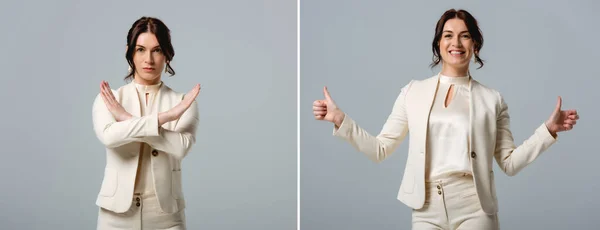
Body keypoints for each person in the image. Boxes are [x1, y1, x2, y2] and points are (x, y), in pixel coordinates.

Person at [312, 9, 579, 230]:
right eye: (448, 36)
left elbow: (508, 163)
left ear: (474, 44)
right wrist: (340, 120)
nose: (456, 43)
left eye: (465, 36)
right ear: (438, 43)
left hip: (475, 206)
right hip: (426, 206)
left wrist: (548, 131)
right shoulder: (412, 92)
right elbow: (381, 148)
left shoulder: (492, 99)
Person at [92, 16, 200, 230]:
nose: (148, 59)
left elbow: (180, 147)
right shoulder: (110, 98)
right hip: (115, 217)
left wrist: (126, 119)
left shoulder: (183, 102)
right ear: (129, 51)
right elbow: (109, 136)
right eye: (141, 49)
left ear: (167, 54)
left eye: (157, 50)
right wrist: (164, 118)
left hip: (167, 218)